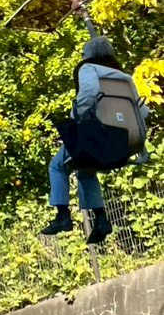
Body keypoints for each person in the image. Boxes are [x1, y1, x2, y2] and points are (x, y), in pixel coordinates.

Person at [44, 35, 146, 244]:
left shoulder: (88, 69)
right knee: (85, 170)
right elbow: (143, 111)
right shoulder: (125, 77)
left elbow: (89, 94)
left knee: (56, 166)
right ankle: (101, 220)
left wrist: (79, 118)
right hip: (129, 139)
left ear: (89, 55)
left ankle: (63, 215)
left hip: (102, 135)